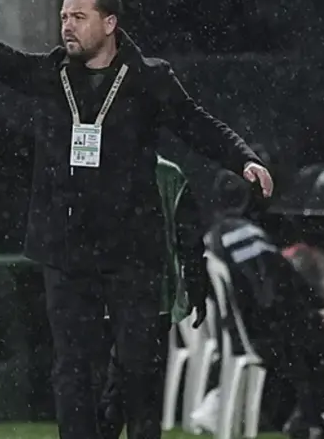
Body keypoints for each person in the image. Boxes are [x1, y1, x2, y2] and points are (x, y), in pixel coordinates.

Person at [0, 0, 273, 439]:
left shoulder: (148, 80)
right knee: (73, 370)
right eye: (63, 17)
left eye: (78, 17)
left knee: (138, 370)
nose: (67, 25)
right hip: (67, 249)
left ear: (109, 24)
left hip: (132, 250)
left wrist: (244, 158)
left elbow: (197, 125)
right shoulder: (51, 75)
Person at [205, 170, 323, 438]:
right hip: (259, 336)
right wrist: (315, 314)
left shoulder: (214, 236)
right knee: (323, 341)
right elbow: (276, 293)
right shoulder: (247, 236)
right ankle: (310, 417)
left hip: (233, 334)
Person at [99, 155, 208, 438]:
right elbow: (189, 240)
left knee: (114, 385)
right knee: (142, 393)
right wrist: (196, 288)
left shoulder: (99, 167)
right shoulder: (169, 174)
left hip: (100, 299)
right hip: (152, 298)